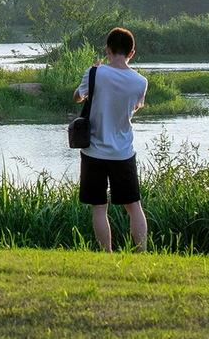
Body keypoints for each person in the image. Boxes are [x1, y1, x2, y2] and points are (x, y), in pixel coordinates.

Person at [74, 26, 148, 252]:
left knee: (99, 207)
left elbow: (78, 97)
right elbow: (135, 107)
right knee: (133, 206)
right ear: (131, 53)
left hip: (93, 150)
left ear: (107, 49)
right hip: (123, 151)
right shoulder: (141, 82)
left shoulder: (95, 72)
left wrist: (91, 82)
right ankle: (141, 252)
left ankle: (106, 254)